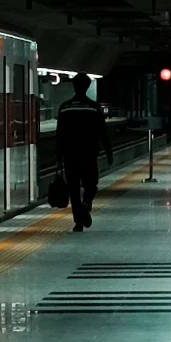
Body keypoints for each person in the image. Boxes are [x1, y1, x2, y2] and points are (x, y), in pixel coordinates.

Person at [55, 73, 112, 230]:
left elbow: (59, 134)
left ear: (74, 86)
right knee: (91, 184)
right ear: (87, 87)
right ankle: (85, 205)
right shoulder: (93, 108)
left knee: (73, 188)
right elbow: (103, 132)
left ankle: (78, 221)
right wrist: (108, 152)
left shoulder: (64, 107)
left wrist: (58, 157)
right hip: (89, 154)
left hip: (69, 154)